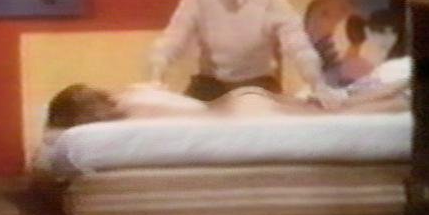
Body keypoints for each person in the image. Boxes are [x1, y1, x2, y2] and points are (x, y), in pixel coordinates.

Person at [149, 0, 344, 107]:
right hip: (211, 83)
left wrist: (317, 84)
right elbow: (172, 41)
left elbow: (297, 44)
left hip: (258, 82)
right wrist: (156, 78)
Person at [46, 78, 410, 131]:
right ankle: (399, 93)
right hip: (238, 100)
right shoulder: (132, 92)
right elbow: (162, 89)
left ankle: (402, 99)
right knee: (331, 108)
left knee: (333, 115)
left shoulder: (126, 116)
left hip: (236, 110)